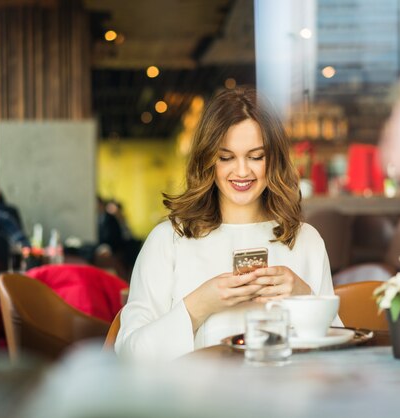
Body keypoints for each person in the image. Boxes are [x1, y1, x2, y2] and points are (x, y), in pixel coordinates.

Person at [115, 87, 342, 362]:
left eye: (256, 156)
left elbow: (336, 356)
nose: (243, 171)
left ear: (274, 160)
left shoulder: (305, 240)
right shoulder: (169, 239)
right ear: (208, 159)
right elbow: (129, 355)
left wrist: (304, 298)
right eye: (226, 157)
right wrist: (198, 306)